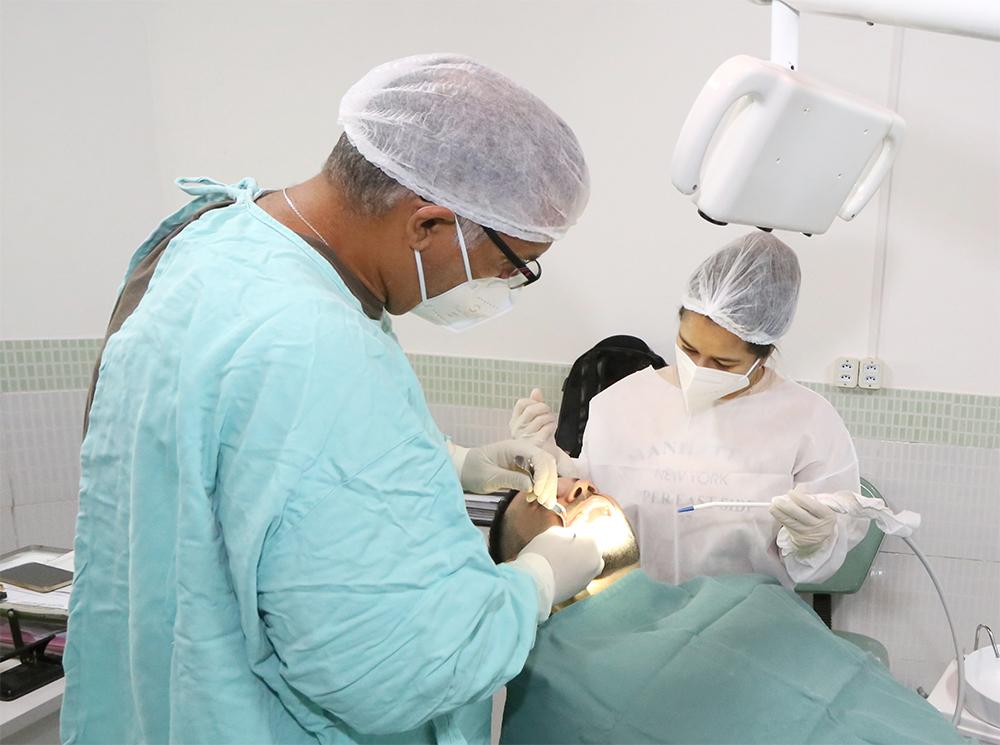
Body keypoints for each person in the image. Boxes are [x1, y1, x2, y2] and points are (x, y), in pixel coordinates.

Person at [61, 54, 603, 745]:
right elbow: (395, 668)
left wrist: (449, 463)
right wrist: (535, 583)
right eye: (510, 266)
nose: (503, 287)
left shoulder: (212, 239)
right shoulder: (317, 342)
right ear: (427, 225)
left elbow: (223, 446)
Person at [510, 232, 868, 587]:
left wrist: (815, 541)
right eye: (688, 348)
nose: (699, 368)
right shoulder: (620, 403)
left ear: (764, 353)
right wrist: (549, 462)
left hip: (743, 614)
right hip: (628, 609)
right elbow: (587, 505)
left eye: (723, 363)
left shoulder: (808, 421)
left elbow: (825, 549)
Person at [490, 485, 966, 745]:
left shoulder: (743, 593)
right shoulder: (550, 679)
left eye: (571, 480)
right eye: (549, 503)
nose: (578, 485)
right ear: (524, 565)